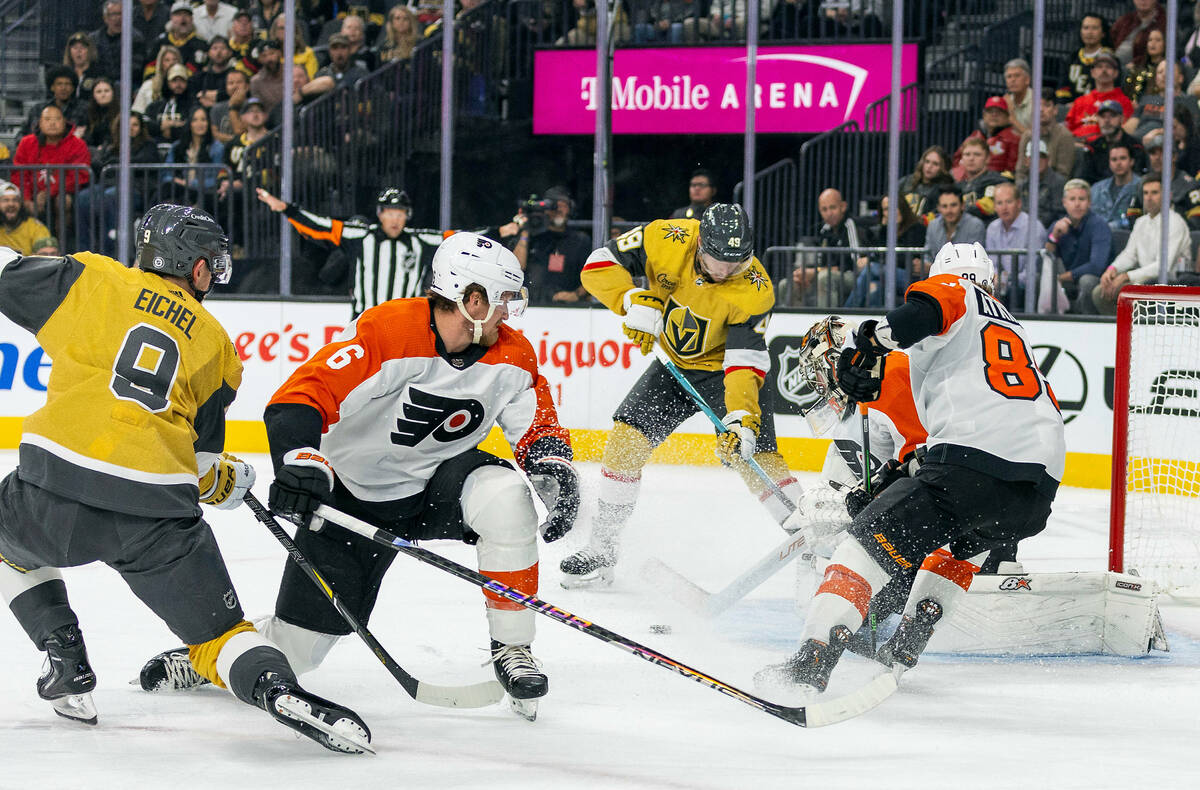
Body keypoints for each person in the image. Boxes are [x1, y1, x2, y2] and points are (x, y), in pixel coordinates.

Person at [140, 230, 579, 721]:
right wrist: (299, 459)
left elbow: (537, 425)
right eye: (501, 302)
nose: (508, 315)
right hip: (348, 498)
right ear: (471, 300)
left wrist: (553, 472)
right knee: (298, 652)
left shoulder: (513, 354)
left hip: (435, 488)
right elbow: (297, 399)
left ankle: (512, 650)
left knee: (505, 498)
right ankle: (212, 657)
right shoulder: (388, 331)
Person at [0, 204, 371, 753]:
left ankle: (64, 652)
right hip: (154, 516)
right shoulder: (218, 348)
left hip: (51, 488)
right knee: (220, 637)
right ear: (195, 268)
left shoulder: (91, 278)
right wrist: (227, 481)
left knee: (8, 545)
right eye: (212, 265)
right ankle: (274, 686)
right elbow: (199, 467)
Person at [763, 242, 1064, 690]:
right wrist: (887, 483)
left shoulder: (956, 294)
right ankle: (908, 641)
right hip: (1035, 494)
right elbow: (927, 451)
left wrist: (869, 339)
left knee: (863, 546)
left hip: (969, 465)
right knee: (965, 535)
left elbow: (925, 309)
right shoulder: (1010, 329)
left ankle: (811, 662)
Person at [559, 204, 803, 587]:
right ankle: (603, 548)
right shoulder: (665, 237)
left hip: (724, 372)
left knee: (756, 459)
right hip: (672, 367)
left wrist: (742, 418)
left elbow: (744, 364)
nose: (724, 271)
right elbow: (596, 265)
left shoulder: (756, 290)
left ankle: (814, 546)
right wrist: (629, 300)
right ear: (699, 243)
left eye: (735, 263)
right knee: (625, 443)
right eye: (716, 260)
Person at [257, 186, 445, 317]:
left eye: (400, 214)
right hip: (364, 321)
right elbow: (321, 226)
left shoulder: (421, 240)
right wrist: (288, 210)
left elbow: (459, 239)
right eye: (389, 213)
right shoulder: (360, 236)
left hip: (406, 322)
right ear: (380, 214)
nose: (395, 219)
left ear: (407, 216)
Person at [1092, 175, 1191, 315]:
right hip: (1142, 280)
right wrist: (1112, 269)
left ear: (1167, 196)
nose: (1149, 197)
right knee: (1100, 292)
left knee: (1120, 292)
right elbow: (1129, 254)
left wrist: (1127, 276)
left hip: (1166, 284)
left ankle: (1133, 330)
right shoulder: (1141, 222)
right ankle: (1122, 332)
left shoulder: (1175, 223)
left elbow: (1164, 266)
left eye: (1154, 193)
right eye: (1145, 193)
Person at [1046, 179, 1113, 314]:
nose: (1077, 204)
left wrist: (1061, 278)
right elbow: (1043, 261)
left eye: (1081, 199)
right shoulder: (1057, 226)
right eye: (1072, 199)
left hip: (1096, 279)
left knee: (1086, 281)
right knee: (1041, 277)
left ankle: (1089, 323)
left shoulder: (1099, 225)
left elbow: (1096, 266)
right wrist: (1054, 238)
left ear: (1089, 203)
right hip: (1066, 279)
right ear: (1064, 203)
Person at [844, 195, 924, 309]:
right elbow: (879, 253)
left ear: (902, 207)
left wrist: (875, 260)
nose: (891, 212)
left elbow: (905, 260)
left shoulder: (917, 228)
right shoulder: (884, 230)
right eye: (886, 209)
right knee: (875, 288)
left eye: (894, 207)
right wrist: (885, 228)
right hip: (885, 275)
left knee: (870, 268)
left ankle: (846, 312)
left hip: (909, 277)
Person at [515, 186, 591, 304]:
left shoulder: (581, 240)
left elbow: (593, 274)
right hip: (530, 306)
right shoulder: (530, 236)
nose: (558, 209)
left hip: (570, 308)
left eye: (563, 205)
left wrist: (576, 294)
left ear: (571, 209)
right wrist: (526, 230)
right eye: (553, 205)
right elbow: (516, 268)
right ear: (544, 209)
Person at [795, 187, 864, 308]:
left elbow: (855, 264)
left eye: (833, 207)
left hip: (854, 277)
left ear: (843, 206)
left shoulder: (850, 225)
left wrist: (816, 271)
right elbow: (822, 263)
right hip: (829, 273)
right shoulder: (824, 230)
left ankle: (827, 325)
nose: (829, 213)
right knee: (790, 283)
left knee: (824, 278)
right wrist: (805, 273)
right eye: (824, 209)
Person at [984, 181, 1046, 308]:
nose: (1004, 207)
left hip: (1024, 287)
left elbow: (1031, 272)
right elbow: (991, 265)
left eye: (1009, 202)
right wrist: (997, 279)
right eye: (999, 203)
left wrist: (1005, 280)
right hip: (1000, 285)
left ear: (1019, 203)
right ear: (994, 206)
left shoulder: (1034, 227)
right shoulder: (992, 228)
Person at [1074, 99, 1147, 182]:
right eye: (1103, 116)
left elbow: (1139, 176)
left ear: (1122, 118)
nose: (1106, 121)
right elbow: (1085, 177)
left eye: (1112, 116)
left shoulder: (1135, 146)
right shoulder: (1093, 147)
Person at [1066, 51, 1134, 140]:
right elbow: (1066, 130)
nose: (1104, 70)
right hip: (1076, 144)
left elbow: (1123, 132)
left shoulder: (1124, 102)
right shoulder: (1080, 101)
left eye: (1108, 67)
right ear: (1092, 72)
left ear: (1116, 73)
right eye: (1099, 67)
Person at [922, 186, 986, 276]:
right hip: (937, 280)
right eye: (944, 206)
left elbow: (973, 261)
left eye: (953, 205)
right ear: (938, 208)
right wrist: (924, 265)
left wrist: (934, 268)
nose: (949, 210)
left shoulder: (975, 225)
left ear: (962, 206)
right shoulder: (933, 225)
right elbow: (928, 255)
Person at [951, 96, 1021, 178]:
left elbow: (1013, 170)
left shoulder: (1013, 139)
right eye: (990, 111)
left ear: (1007, 116)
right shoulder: (974, 136)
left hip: (998, 183)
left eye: (999, 112)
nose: (994, 115)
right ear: (984, 115)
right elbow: (956, 161)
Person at [1016, 89, 1077, 179]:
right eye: (1037, 105)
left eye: (1046, 105)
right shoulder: (1027, 135)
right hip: (1028, 186)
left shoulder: (1064, 136)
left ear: (1055, 110)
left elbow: (1063, 174)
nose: (1041, 110)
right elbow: (1021, 171)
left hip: (1054, 187)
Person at [1056, 13, 1112, 105]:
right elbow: (1063, 88)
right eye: (1086, 28)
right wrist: (1065, 105)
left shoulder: (1110, 59)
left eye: (1094, 28)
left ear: (1103, 33)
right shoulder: (1071, 58)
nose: (1089, 32)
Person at [1017, 138, 1068, 229]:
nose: (1038, 160)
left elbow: (1059, 215)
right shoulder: (1022, 185)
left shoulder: (1059, 183)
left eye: (1042, 156)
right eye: (1033, 157)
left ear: (1048, 159)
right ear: (1026, 161)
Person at [955, 137, 1011, 221]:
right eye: (967, 154)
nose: (971, 159)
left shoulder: (997, 181)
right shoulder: (957, 186)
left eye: (977, 154)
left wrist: (954, 212)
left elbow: (988, 208)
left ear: (987, 158)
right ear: (962, 158)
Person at [301, 33, 369, 100]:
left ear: (350, 50)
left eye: (343, 47)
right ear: (330, 52)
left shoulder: (361, 73)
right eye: (335, 48)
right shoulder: (322, 75)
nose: (339, 52)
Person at [1090, 144, 1142, 230]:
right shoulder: (1096, 189)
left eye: (1123, 158)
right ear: (1109, 163)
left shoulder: (1141, 187)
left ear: (1132, 161)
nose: (1118, 163)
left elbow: (1136, 220)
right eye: (1114, 159)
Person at [92, 1, 146, 83]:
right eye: (113, 14)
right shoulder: (94, 39)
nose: (118, 18)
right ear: (105, 18)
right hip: (101, 84)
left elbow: (136, 69)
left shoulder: (136, 38)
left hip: (128, 84)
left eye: (120, 13)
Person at [898, 146, 954, 224]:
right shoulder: (905, 182)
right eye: (927, 161)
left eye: (935, 164)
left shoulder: (945, 189)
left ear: (943, 168)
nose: (929, 166)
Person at [0, 180, 51, 254]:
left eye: (15, 200)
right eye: (5, 200)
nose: (11, 204)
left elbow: (47, 256)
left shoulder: (35, 227)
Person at [1111, 0, 1165, 67]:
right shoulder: (1126, 20)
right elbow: (1110, 42)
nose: (1143, 1)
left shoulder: (1164, 23)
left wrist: (1136, 64)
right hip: (1113, 65)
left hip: (1139, 68)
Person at [1122, 27, 1166, 103]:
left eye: (1158, 40)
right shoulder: (1137, 68)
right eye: (1150, 40)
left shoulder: (1169, 68)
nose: (1153, 43)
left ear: (1165, 44)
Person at [62, 31, 105, 101]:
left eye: (83, 47)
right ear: (69, 52)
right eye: (75, 48)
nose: (79, 51)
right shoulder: (64, 74)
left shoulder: (99, 73)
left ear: (89, 51)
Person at [1003, 59, 1034, 136]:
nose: (1012, 80)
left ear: (1027, 80)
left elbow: (1034, 139)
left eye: (1017, 75)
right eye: (1009, 76)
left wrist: (1012, 118)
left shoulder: (1037, 101)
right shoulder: (1006, 101)